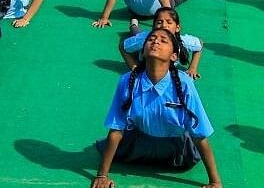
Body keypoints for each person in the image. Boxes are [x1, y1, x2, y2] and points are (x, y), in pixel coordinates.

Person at [91, 27, 223, 188]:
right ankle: (134, 27)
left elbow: (200, 134)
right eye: (151, 39)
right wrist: (102, 176)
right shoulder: (127, 81)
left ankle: (134, 27)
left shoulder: (185, 84)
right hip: (136, 150)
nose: (155, 41)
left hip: (178, 155)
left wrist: (215, 182)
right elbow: (116, 129)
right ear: (143, 52)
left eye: (163, 40)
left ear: (174, 55)